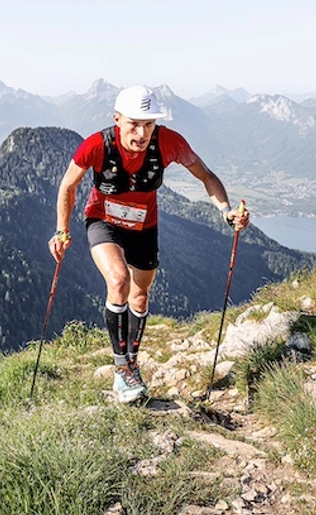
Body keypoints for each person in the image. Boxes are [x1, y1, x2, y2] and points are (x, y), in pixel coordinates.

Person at [49, 85, 251, 403]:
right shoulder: (97, 145)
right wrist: (62, 231)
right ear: (118, 120)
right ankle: (122, 372)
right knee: (119, 280)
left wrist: (227, 212)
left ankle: (132, 362)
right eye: (134, 123)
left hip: (145, 227)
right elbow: (68, 185)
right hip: (103, 221)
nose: (142, 132)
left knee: (139, 298)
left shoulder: (169, 142)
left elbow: (207, 176)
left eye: (149, 124)